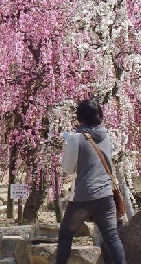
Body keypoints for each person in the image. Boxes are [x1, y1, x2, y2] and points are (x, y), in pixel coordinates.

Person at [56, 99, 125, 264]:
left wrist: (69, 143)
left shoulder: (76, 138)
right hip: (106, 197)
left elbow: (67, 168)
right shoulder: (107, 136)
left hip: (83, 198)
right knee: (112, 238)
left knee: (65, 235)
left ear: (80, 118)